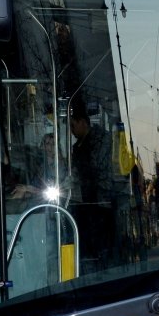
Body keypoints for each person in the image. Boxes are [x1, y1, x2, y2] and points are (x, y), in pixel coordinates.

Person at [67, 97, 124, 262]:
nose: (71, 130)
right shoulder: (81, 145)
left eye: (73, 125)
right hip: (89, 201)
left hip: (102, 201)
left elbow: (96, 169)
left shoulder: (101, 141)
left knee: (103, 244)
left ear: (83, 122)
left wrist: (76, 179)